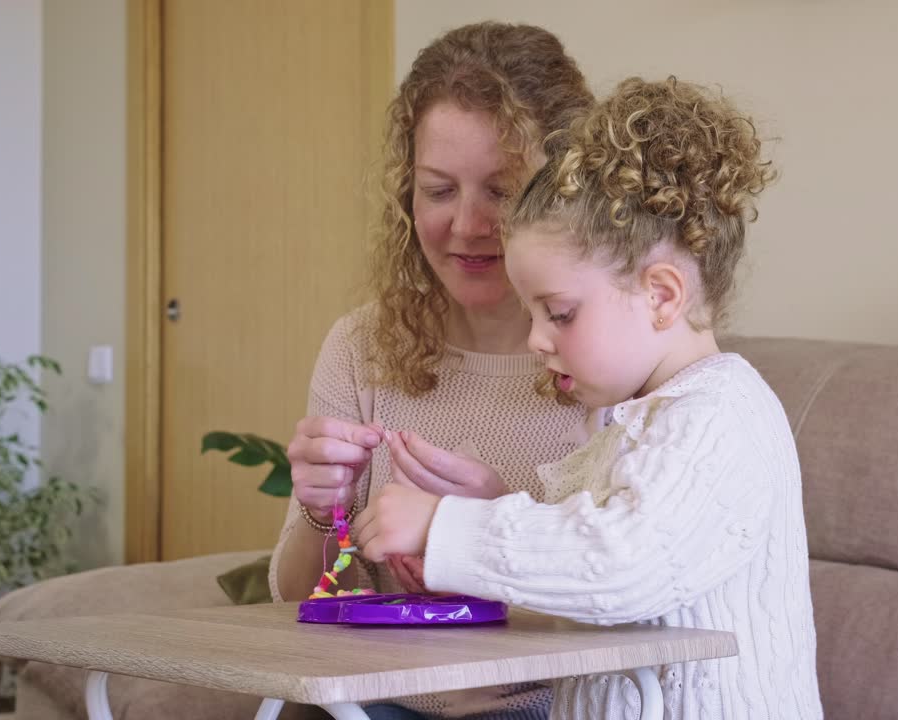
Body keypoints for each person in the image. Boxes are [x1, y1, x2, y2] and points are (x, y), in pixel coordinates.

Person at [356, 77, 825, 719]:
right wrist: (498, 512)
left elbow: (619, 566)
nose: (537, 340)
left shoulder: (721, 417)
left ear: (662, 296)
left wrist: (448, 526)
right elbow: (577, 587)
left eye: (560, 313)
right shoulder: (640, 424)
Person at [269, 22, 594, 720]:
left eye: (502, 192)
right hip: (371, 703)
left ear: (561, 193)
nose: (468, 226)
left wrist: (494, 526)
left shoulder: (606, 362)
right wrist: (318, 507)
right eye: (439, 190)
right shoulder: (362, 345)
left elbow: (625, 611)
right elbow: (298, 601)